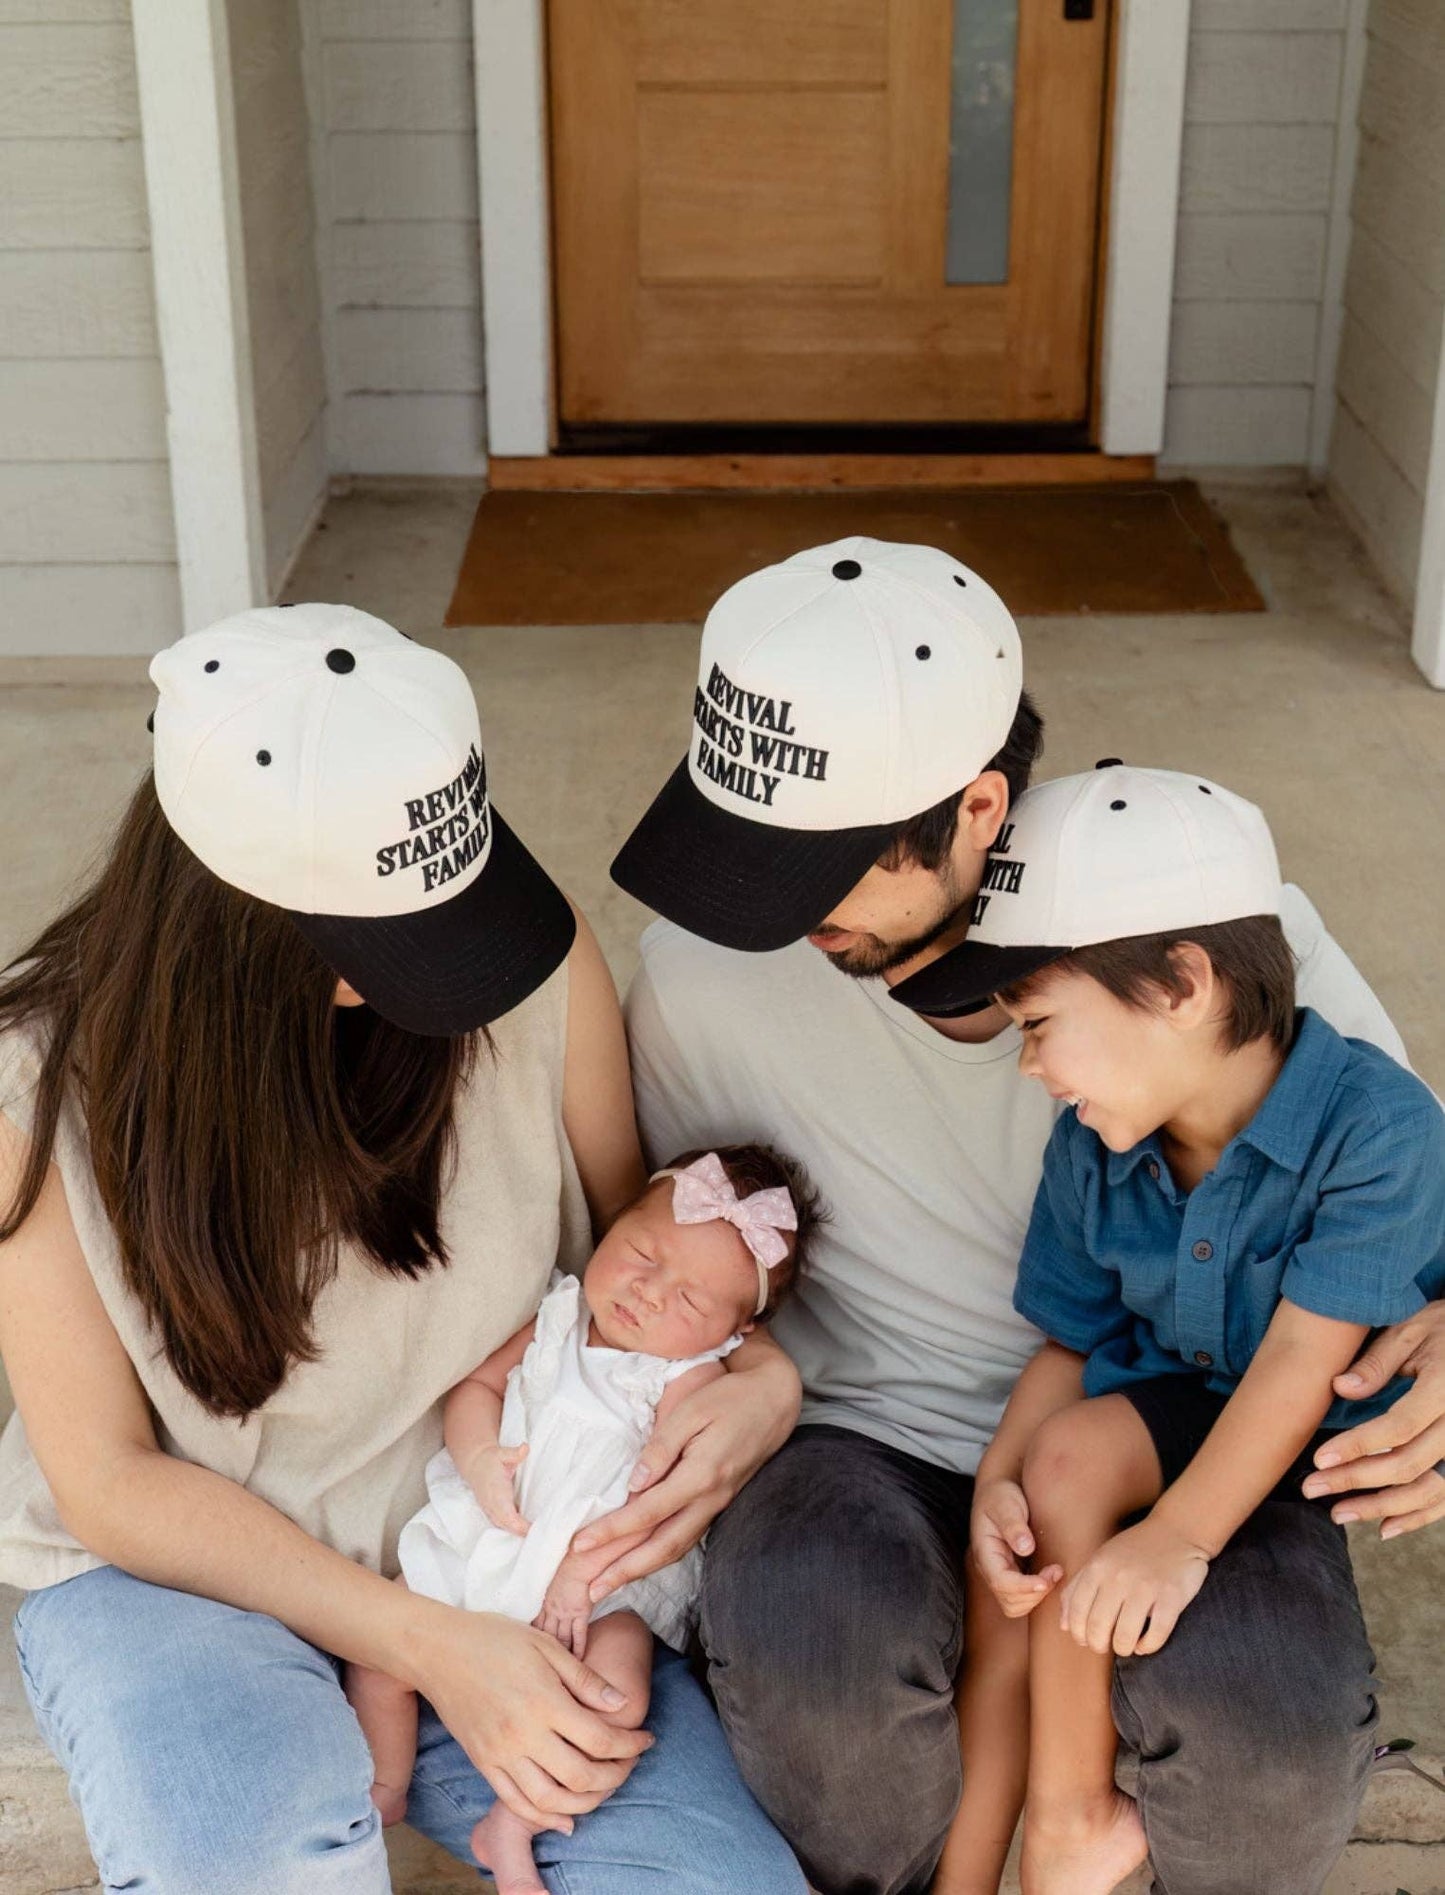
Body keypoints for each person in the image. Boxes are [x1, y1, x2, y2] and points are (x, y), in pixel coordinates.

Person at [599, 538, 1445, 1895]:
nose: (775, 903)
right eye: (749, 850)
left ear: (977, 803)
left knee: (1265, 1749)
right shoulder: (705, 973)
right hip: (863, 1433)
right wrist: (749, 1370)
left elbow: (1397, 1188)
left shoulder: (1216, 932)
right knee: (822, 1679)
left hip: (1198, 1425)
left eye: (821, 859)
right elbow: (644, 1253)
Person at [0, 604, 806, 1895]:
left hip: (492, 1560)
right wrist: (422, 1644)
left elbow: (638, 1259)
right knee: (263, 1865)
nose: (457, 974)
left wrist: (763, 1378)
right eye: (402, 944)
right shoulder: (35, 1091)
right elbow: (104, 1477)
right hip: (180, 1581)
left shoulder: (534, 975)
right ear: (248, 930)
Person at [901, 764, 1444, 1895]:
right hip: (1178, 1404)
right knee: (1033, 1512)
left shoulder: (1374, 1124)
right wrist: (996, 1492)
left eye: (1042, 1024)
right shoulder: (1093, 1149)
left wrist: (1177, 1536)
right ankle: (1019, 1844)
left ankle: (1060, 1830)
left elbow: (1306, 1353)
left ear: (1181, 984)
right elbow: (1066, 1343)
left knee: (1125, 1545)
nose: (1032, 1066)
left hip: (1326, 1444)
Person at [346, 1144, 818, 1895]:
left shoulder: (685, 1377)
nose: (652, 1292)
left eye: (693, 1302)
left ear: (736, 1334)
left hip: (602, 1589)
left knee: (617, 1703)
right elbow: (476, 1387)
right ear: (612, 1222)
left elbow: (655, 1500)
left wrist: (576, 1577)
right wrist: (479, 1465)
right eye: (640, 1251)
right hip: (491, 1534)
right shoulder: (557, 1313)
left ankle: (514, 1820)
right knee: (376, 1657)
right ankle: (383, 1790)